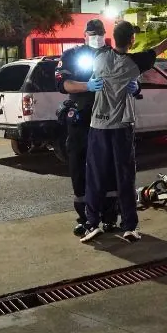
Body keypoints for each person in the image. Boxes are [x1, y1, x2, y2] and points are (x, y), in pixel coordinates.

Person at [82, 20, 167, 243]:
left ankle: (91, 224)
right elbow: (161, 47)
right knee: (125, 177)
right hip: (121, 127)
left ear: (112, 38)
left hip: (98, 126)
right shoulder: (135, 63)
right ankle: (129, 226)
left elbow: (91, 46)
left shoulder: (99, 58)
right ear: (132, 40)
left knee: (95, 177)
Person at [56, 19, 119, 237]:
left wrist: (134, 84)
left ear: (105, 34)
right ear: (84, 35)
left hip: (109, 119)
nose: (96, 37)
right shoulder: (72, 56)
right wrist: (87, 86)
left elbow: (131, 77)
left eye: (100, 33)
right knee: (79, 170)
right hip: (81, 122)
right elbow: (63, 84)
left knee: (110, 169)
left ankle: (110, 217)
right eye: (92, 33)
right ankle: (85, 219)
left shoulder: (113, 54)